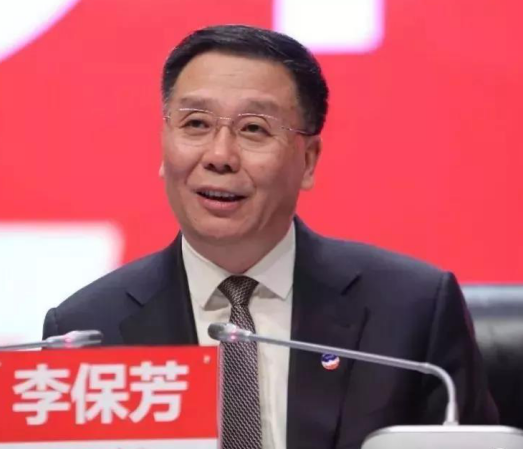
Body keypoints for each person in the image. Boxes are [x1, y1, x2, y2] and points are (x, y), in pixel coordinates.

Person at [43, 24, 498, 449]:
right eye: (196, 124)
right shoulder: (87, 331)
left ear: (309, 160)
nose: (219, 156)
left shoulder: (411, 310)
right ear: (164, 142)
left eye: (254, 129)